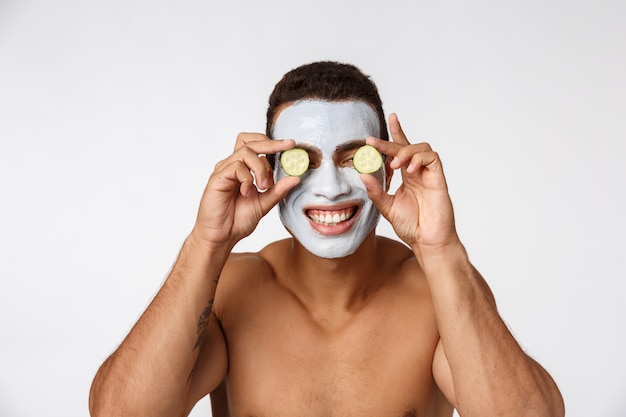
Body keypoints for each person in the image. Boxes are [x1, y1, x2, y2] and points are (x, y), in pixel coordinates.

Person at [89, 61, 564, 417]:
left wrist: (440, 249)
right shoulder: (233, 289)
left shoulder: (436, 290)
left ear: (387, 163)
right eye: (305, 161)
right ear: (268, 169)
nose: (332, 188)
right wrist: (207, 242)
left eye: (354, 157)